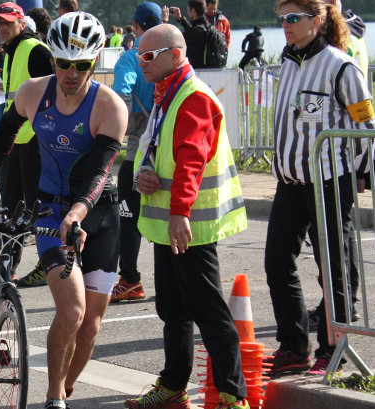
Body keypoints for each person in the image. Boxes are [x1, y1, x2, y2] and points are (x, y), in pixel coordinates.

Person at [0, 12, 124, 409]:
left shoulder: (110, 106)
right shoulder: (34, 92)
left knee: (90, 326)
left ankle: (66, 386)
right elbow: (6, 131)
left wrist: (80, 211)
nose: (72, 73)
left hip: (99, 212)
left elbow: (98, 170)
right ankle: (55, 397)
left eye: (83, 65)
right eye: (63, 63)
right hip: (52, 213)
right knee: (72, 311)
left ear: (96, 61)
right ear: (52, 58)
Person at [124, 24, 249, 409]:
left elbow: (192, 160)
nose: (140, 62)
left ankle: (232, 393)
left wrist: (180, 212)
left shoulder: (192, 97)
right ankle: (174, 384)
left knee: (206, 308)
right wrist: (145, 177)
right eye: (138, 54)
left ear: (175, 55)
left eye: (147, 56)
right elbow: (163, 151)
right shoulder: (168, 92)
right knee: (173, 309)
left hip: (188, 224)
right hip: (170, 224)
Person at [262, 0, 375, 377]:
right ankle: (294, 346)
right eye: (281, 19)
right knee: (277, 262)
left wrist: (362, 172)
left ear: (317, 19)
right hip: (289, 182)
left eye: (293, 18)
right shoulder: (288, 61)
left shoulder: (340, 66)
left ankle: (334, 347)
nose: (286, 25)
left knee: (334, 268)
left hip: (329, 180)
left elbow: (365, 124)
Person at [0, 2, 54, 287]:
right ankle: (5, 265)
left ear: (21, 23)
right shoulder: (11, 52)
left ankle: (48, 263)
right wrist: (2, 84)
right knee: (10, 209)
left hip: (36, 140)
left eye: (7, 22)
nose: (2, 27)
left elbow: (53, 92)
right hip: (17, 139)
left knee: (39, 209)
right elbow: (20, 94)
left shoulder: (35, 48)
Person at [110, 1, 163, 303]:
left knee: (128, 219)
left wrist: (128, 121)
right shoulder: (172, 53)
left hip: (139, 152)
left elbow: (122, 90)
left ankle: (130, 279)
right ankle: (177, 279)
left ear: (136, 27)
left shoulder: (131, 58)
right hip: (168, 151)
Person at [169, 0, 221, 69]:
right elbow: (192, 30)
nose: (188, 13)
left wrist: (164, 22)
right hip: (211, 71)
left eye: (188, 10)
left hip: (198, 72)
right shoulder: (210, 28)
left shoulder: (195, 32)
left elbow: (174, 39)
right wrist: (181, 18)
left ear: (193, 11)